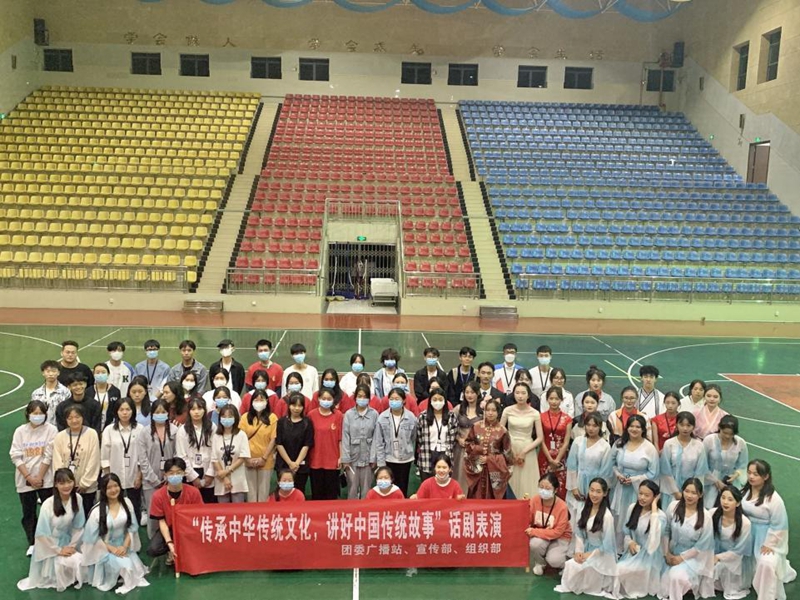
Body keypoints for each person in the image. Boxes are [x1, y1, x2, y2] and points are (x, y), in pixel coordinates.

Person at [16, 468, 85, 592]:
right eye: (62, 483)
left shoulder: (78, 499)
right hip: (50, 546)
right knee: (63, 570)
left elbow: (78, 526)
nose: (66, 486)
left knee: (81, 562)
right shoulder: (48, 505)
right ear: (56, 485)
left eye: (69, 482)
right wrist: (59, 550)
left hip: (68, 542)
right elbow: (42, 535)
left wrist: (72, 546)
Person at [82, 473, 149, 594]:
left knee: (134, 571)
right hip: (105, 549)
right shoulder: (97, 511)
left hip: (123, 547)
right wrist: (111, 549)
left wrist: (124, 546)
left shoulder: (127, 503)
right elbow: (92, 537)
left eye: (116, 486)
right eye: (109, 487)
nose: (113, 490)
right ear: (103, 490)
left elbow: (132, 527)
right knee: (126, 568)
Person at [741, 459, 797, 600]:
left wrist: (769, 544)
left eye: (756, 474)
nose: (751, 477)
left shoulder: (774, 499)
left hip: (766, 537)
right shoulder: (745, 491)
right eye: (749, 473)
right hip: (747, 534)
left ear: (765, 476)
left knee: (766, 562)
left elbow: (780, 525)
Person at [554, 478, 616, 596]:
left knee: (584, 569)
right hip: (586, 549)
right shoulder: (585, 509)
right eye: (592, 490)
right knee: (571, 564)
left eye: (598, 491)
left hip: (601, 554)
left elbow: (607, 545)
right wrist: (579, 552)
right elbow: (580, 534)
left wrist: (589, 555)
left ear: (605, 493)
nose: (594, 494)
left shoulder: (607, 516)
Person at [10, 400, 57, 556]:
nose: (38, 416)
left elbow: (49, 454)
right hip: (25, 479)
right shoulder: (20, 432)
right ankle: (33, 542)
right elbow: (15, 455)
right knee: (29, 512)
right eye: (34, 413)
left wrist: (40, 476)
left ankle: (51, 540)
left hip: (46, 478)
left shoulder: (51, 430)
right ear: (28, 414)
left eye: (41, 413)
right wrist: (29, 477)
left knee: (50, 511)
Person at [610, 414, 659, 551]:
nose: (634, 429)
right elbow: (611, 463)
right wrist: (618, 475)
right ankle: (618, 548)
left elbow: (653, 473)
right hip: (620, 488)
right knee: (619, 518)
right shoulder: (619, 443)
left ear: (643, 429)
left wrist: (634, 480)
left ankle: (634, 548)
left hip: (639, 490)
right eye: (631, 426)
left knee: (635, 516)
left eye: (638, 427)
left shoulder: (649, 448)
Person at [660, 478, 715, 600]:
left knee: (676, 577)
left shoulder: (705, 516)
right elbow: (666, 530)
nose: (689, 496)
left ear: (700, 495)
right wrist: (666, 553)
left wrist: (681, 558)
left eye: (694, 493)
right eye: (686, 491)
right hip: (671, 552)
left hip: (693, 557)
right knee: (660, 578)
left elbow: (702, 545)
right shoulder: (673, 506)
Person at [146, 457, 203, 567]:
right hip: (169, 528)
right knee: (153, 549)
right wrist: (169, 543)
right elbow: (161, 521)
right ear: (165, 475)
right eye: (171, 473)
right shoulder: (158, 495)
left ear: (184, 473)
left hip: (189, 528)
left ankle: (183, 552)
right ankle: (170, 551)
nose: (175, 475)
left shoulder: (194, 492)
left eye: (178, 472)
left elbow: (199, 517)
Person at [614, 480, 667, 599]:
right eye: (640, 493)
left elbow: (654, 540)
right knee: (618, 570)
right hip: (633, 552)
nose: (642, 498)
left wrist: (654, 508)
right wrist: (630, 542)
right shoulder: (632, 508)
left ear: (655, 497)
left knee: (625, 571)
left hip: (650, 556)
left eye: (647, 495)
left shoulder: (660, 516)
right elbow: (627, 531)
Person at [566, 412, 613, 546]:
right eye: (588, 425)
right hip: (577, 482)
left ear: (600, 427)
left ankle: (588, 547)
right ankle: (572, 549)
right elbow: (572, 465)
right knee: (573, 517)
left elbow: (606, 472)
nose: (591, 428)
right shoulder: (578, 441)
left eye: (594, 425)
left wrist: (595, 492)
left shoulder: (605, 446)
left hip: (594, 486)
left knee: (590, 518)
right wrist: (573, 487)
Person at [136, 399, 177, 535]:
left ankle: (170, 541)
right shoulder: (144, 432)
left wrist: (170, 476)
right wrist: (153, 479)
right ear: (152, 414)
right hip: (150, 480)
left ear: (168, 413)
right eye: (157, 412)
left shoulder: (175, 430)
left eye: (163, 412)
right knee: (153, 513)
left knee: (170, 512)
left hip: (171, 479)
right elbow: (143, 459)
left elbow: (177, 454)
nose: (160, 415)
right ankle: (153, 541)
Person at [52, 405, 100, 516]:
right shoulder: (59, 437)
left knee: (87, 515)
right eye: (70, 418)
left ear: (83, 417)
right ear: (66, 420)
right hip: (66, 487)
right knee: (68, 516)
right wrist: (65, 482)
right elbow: (57, 462)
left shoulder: (92, 434)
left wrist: (85, 483)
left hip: (86, 487)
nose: (74, 420)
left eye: (77, 417)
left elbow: (94, 460)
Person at [100, 399, 143, 521]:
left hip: (134, 476)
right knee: (115, 507)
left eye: (128, 409)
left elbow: (142, 455)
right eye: (121, 410)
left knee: (135, 506)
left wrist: (139, 476)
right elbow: (104, 456)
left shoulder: (140, 429)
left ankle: (134, 530)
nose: (125, 413)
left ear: (133, 411)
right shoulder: (109, 430)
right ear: (116, 412)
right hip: (114, 476)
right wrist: (108, 477)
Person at [500, 382, 544, 499]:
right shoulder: (507, 410)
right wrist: (509, 448)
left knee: (527, 482)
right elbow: (500, 431)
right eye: (517, 393)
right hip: (510, 449)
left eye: (523, 393)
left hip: (527, 449)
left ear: (528, 395)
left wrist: (524, 451)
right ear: (513, 394)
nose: (520, 396)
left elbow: (540, 437)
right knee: (510, 479)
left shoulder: (535, 413)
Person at [371, 387, 417, 497]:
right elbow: (379, 442)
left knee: (402, 488)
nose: (394, 401)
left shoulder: (411, 417)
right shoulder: (382, 417)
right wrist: (381, 463)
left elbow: (413, 436)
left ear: (404, 400)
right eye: (391, 399)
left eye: (397, 399)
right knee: (388, 489)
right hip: (388, 458)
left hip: (405, 459)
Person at [659, 411, 709, 508]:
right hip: (670, 490)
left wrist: (692, 491)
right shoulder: (669, 444)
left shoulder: (699, 445)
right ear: (676, 425)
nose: (685, 428)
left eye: (688, 425)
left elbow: (700, 472)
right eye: (682, 425)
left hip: (691, 492)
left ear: (693, 427)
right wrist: (676, 492)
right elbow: (665, 470)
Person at [464, 399, 512, 499]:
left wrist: (489, 459)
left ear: (498, 412)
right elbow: (468, 444)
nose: (490, 413)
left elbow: (507, 455)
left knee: (492, 499)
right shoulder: (476, 427)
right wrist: (479, 450)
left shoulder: (502, 431)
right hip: (477, 469)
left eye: (493, 410)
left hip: (495, 473)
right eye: (488, 410)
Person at [525, 473, 572, 576]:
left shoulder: (562, 506)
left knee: (554, 560)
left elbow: (557, 532)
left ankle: (567, 564)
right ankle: (540, 563)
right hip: (543, 534)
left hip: (560, 537)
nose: (543, 490)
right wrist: (524, 508)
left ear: (555, 490)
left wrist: (534, 531)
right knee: (535, 544)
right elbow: (528, 520)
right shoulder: (535, 500)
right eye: (541, 487)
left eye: (547, 488)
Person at [713, 486, 753, 600]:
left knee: (721, 567)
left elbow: (739, 551)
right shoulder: (714, 514)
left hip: (735, 559)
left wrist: (718, 557)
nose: (725, 502)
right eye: (723, 498)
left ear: (738, 503)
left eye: (730, 499)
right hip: (715, 553)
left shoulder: (745, 523)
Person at [341, 384, 379, 499]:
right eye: (359, 396)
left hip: (368, 458)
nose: (362, 399)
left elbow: (376, 437)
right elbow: (345, 437)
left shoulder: (374, 414)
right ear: (355, 397)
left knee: (366, 490)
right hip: (352, 459)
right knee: (352, 489)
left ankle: (365, 510)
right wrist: (345, 459)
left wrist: (373, 458)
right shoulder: (348, 414)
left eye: (365, 396)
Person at [239, 389, 277, 503]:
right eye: (256, 400)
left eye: (262, 400)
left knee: (263, 495)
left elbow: (274, 439)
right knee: (250, 495)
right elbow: (240, 439)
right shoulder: (245, 417)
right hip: (248, 460)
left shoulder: (272, 418)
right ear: (251, 402)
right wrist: (247, 459)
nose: (259, 402)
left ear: (267, 401)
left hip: (266, 461)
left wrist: (263, 458)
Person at [703, 415, 748, 509]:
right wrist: (715, 481)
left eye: (731, 434)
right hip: (709, 481)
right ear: (719, 428)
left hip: (731, 482)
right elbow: (702, 464)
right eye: (725, 433)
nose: (728, 436)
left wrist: (736, 474)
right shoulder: (709, 440)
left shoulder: (741, 443)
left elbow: (743, 465)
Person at [176, 398, 216, 503]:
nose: (196, 412)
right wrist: (193, 477)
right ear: (189, 411)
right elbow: (181, 456)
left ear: (205, 410)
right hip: (190, 472)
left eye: (199, 408)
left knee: (209, 506)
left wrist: (210, 473)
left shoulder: (212, 427)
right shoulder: (182, 430)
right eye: (193, 409)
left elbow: (215, 452)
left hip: (209, 472)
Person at [307, 388, 344, 500]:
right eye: (323, 398)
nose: (326, 401)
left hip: (332, 461)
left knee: (331, 495)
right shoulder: (311, 415)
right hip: (315, 460)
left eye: (329, 399)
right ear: (318, 399)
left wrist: (341, 457)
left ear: (333, 400)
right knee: (317, 495)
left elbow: (340, 439)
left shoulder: (338, 415)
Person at [275, 392, 314, 495]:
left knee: (299, 492)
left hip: (300, 466)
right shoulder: (281, 422)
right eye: (294, 405)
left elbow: (307, 444)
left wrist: (296, 463)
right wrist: (290, 463)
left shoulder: (307, 422)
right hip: (283, 464)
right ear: (289, 406)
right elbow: (279, 444)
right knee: (283, 493)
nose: (296, 408)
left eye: (300, 405)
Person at [538, 386, 572, 498]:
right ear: (547, 399)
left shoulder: (567, 419)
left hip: (560, 459)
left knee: (560, 488)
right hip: (544, 456)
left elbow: (566, 441)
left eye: (556, 399)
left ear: (561, 400)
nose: (554, 401)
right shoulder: (541, 417)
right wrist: (550, 459)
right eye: (551, 398)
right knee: (544, 486)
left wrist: (556, 460)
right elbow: (541, 439)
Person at [211, 405, 250, 503]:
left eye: (230, 416)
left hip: (238, 479)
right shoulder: (216, 436)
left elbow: (243, 457)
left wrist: (227, 471)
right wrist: (224, 477)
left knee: (238, 510)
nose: (227, 419)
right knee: (223, 510)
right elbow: (214, 459)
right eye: (224, 416)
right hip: (221, 480)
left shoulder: (241, 435)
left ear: (235, 418)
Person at [416, 389, 457, 481]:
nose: (437, 402)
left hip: (445, 453)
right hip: (427, 454)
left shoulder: (451, 417)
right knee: (427, 483)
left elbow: (453, 438)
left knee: (444, 484)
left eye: (440, 399)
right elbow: (419, 437)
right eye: (434, 399)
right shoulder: (423, 417)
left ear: (445, 401)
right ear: (430, 401)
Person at [452, 380, 483, 491]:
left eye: (472, 392)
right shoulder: (458, 409)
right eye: (467, 392)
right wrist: (458, 438)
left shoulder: (483, 410)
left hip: (476, 449)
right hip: (460, 448)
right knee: (459, 473)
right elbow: (450, 427)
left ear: (478, 393)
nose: (469, 395)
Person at [31, 360, 70, 426]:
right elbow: (33, 413)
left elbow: (68, 412)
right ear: (43, 373)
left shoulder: (65, 392)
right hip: (40, 427)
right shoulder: (36, 393)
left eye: (53, 371)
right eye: (48, 371)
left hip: (59, 428)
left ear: (58, 373)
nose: (51, 374)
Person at [88, 363, 121, 432]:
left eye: (103, 372)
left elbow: (117, 411)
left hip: (110, 428)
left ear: (108, 374)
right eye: (97, 372)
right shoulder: (88, 391)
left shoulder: (115, 391)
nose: (100, 375)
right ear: (93, 374)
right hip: (92, 428)